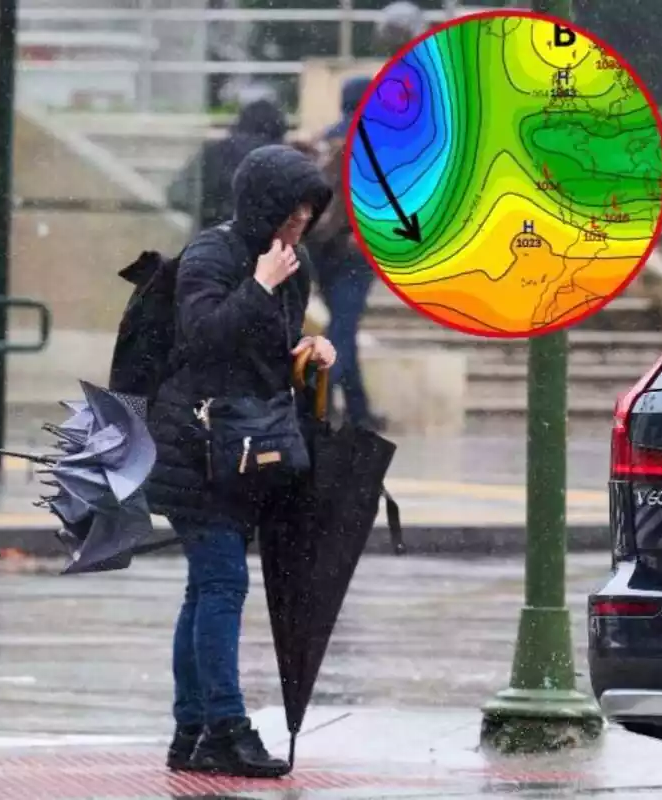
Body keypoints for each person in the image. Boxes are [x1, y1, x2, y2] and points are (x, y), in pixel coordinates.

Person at [146, 145, 337, 778]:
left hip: (244, 446)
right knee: (224, 582)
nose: (299, 224)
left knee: (205, 588)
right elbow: (204, 338)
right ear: (263, 203)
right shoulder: (212, 255)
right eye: (291, 210)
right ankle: (225, 726)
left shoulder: (294, 263)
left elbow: (259, 353)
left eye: (308, 212)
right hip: (194, 443)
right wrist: (260, 285)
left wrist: (306, 349)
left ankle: (191, 731)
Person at [307, 76, 387, 432]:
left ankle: (358, 411)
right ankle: (315, 399)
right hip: (354, 250)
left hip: (321, 247)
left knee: (342, 326)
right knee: (343, 327)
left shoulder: (325, 138)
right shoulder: (376, 140)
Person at [166, 99, 289, 233]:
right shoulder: (282, 157)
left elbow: (177, 195)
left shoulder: (214, 151)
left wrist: (211, 212)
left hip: (211, 238)